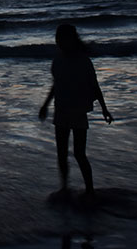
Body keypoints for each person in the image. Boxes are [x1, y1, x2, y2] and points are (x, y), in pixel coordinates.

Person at [39, 24, 113, 197]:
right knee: (61, 153)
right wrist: (45, 105)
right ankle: (64, 187)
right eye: (58, 39)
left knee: (79, 153)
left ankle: (89, 189)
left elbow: (94, 86)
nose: (60, 42)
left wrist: (104, 109)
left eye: (63, 39)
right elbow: (56, 85)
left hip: (78, 110)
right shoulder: (57, 60)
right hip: (61, 110)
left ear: (72, 39)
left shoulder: (83, 60)